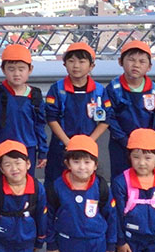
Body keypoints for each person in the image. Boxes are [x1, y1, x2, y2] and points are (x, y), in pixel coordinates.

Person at [45, 135, 117, 252]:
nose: (82, 167)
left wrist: (111, 247)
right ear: (67, 163)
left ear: (95, 165)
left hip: (95, 243)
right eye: (76, 161)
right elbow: (49, 218)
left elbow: (111, 217)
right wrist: (51, 245)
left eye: (87, 162)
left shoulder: (101, 187)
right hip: (68, 242)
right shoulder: (57, 187)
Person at [43, 43, 109, 181]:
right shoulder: (57, 89)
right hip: (61, 146)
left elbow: (106, 119)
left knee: (87, 182)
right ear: (64, 64)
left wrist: (89, 142)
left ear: (92, 66)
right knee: (56, 182)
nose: (76, 65)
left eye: (81, 61)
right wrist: (68, 143)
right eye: (71, 61)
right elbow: (51, 118)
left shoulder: (99, 91)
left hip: (88, 146)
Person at [0, 45, 47, 179]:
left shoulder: (35, 95)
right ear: (3, 70)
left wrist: (42, 151)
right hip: (0, 148)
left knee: (25, 186)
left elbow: (40, 125)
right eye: (11, 69)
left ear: (30, 69)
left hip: (27, 148)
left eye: (21, 69)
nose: (16, 74)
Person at [103, 41, 155, 177]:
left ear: (149, 67)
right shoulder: (114, 88)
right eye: (131, 60)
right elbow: (110, 116)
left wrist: (150, 140)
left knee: (146, 177)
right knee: (121, 177)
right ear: (120, 62)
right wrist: (124, 139)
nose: (136, 65)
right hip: (121, 144)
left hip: (147, 145)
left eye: (142, 61)